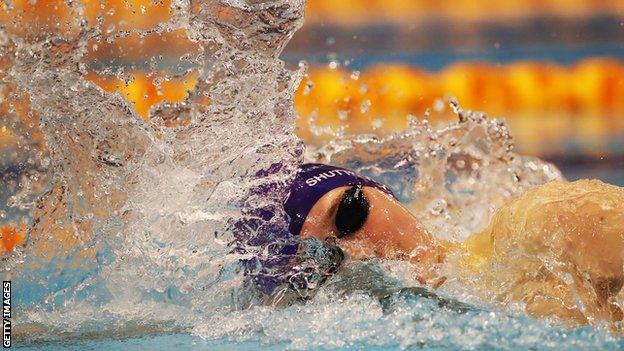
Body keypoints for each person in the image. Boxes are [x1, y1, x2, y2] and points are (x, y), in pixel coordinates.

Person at [281, 163, 624, 326]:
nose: (359, 253)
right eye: (326, 259)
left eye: (350, 214)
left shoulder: (544, 224)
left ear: (381, 191)